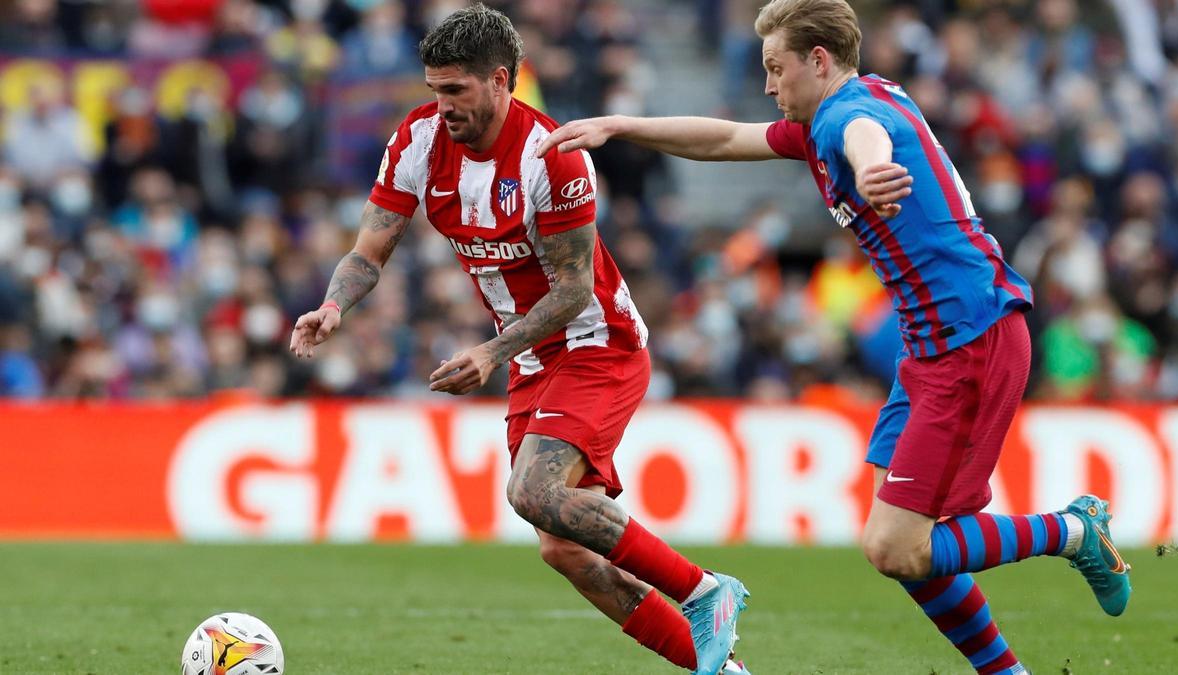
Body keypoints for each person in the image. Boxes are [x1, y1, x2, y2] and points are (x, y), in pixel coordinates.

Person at [537, 1, 1132, 673]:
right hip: (933, 347)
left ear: (818, 61)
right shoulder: (841, 107)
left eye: (776, 69)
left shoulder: (849, 118)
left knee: (898, 545)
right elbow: (726, 138)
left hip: (972, 341)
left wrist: (873, 169)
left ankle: (1076, 529)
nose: (768, 86)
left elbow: (866, 139)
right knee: (904, 543)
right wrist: (621, 126)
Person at [289, 6, 749, 675]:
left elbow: (574, 291)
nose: (440, 104)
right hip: (531, 356)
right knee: (563, 549)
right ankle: (724, 672)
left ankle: (706, 591)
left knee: (531, 492)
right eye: (433, 89)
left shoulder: (552, 158)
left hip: (597, 343)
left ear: (500, 80)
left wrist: (489, 353)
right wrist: (333, 304)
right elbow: (371, 245)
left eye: (456, 90)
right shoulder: (418, 141)